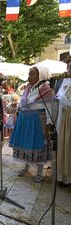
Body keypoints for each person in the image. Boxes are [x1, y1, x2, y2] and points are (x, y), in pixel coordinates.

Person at [10, 66, 56, 182]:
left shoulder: (47, 90)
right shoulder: (29, 88)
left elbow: (51, 109)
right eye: (29, 74)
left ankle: (40, 172)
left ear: (41, 76)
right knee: (26, 144)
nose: (28, 77)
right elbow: (23, 103)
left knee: (38, 145)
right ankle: (26, 167)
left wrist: (49, 125)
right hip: (25, 120)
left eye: (32, 74)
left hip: (37, 122)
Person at [57, 55, 71, 186]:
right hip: (65, 118)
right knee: (64, 145)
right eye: (68, 65)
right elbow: (60, 101)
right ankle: (65, 177)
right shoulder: (65, 82)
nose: (69, 68)